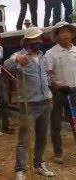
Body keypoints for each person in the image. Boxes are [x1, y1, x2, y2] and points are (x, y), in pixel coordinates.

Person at [4, 27, 55, 179]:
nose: (38, 41)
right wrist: (16, 60)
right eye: (35, 39)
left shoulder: (42, 56)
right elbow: (7, 65)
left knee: (42, 137)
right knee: (24, 139)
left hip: (46, 102)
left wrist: (49, 86)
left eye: (39, 38)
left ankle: (39, 164)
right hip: (29, 104)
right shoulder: (19, 55)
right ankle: (20, 169)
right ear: (27, 41)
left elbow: (45, 74)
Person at [45, 21, 76, 164]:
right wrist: (57, 84)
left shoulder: (75, 50)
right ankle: (58, 152)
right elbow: (49, 73)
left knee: (75, 122)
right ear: (56, 36)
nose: (65, 34)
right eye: (61, 32)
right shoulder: (51, 53)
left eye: (67, 31)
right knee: (56, 123)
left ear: (71, 34)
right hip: (58, 93)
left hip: (74, 92)